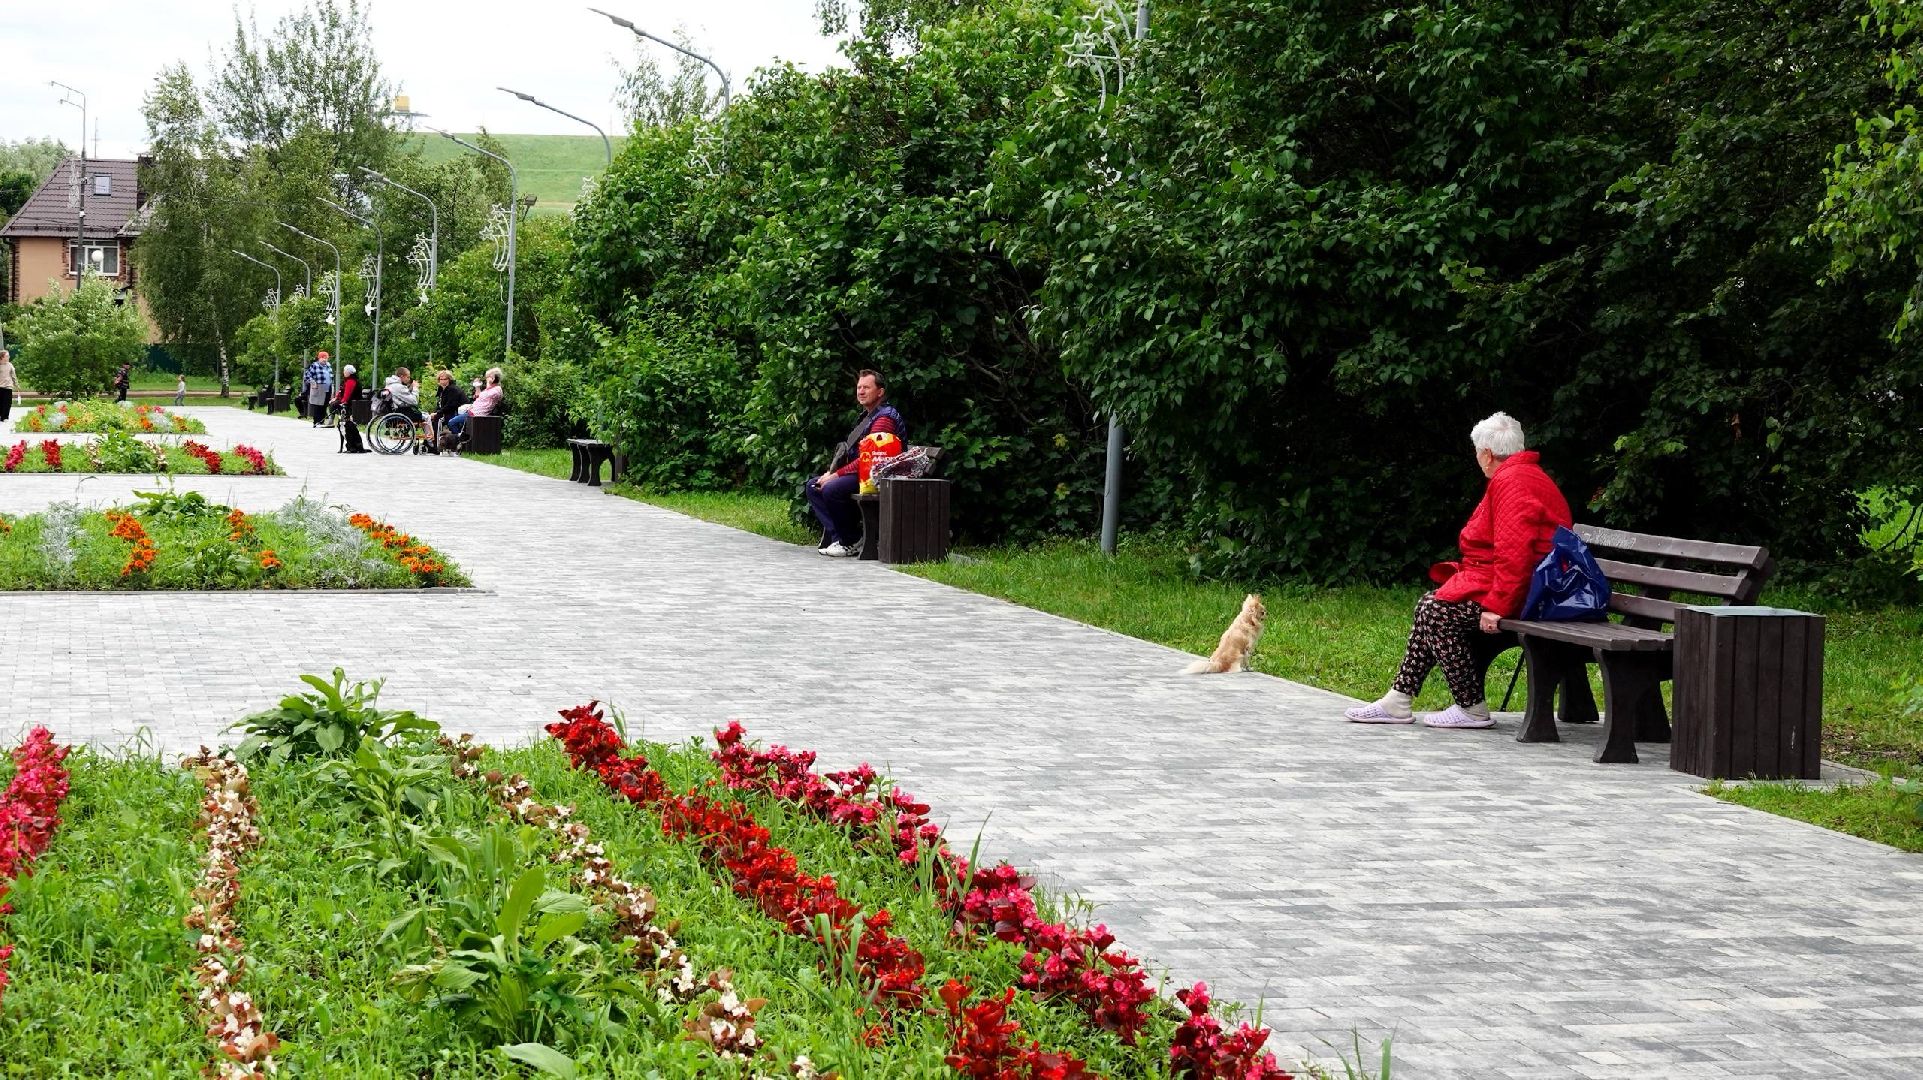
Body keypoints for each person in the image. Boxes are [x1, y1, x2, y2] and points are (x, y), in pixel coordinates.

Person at [1344, 411, 1573, 730]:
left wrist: (1497, 607)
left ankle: (1471, 708)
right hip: (1532, 585)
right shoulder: (1522, 475)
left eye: (1478, 453)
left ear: (1487, 454)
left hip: (1534, 594)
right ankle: (1399, 699)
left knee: (1435, 610)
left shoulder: (1512, 482)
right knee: (1431, 604)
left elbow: (1514, 553)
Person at [805, 369, 903, 558]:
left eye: (866, 387)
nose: (861, 391)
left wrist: (835, 476)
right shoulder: (867, 416)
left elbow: (871, 459)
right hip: (865, 473)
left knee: (831, 488)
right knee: (813, 486)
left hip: (878, 476)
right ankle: (843, 538)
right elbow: (853, 455)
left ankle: (849, 541)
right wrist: (831, 473)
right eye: (859, 387)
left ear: (880, 392)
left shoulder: (884, 419)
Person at [443, 367, 503, 450]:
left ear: (493, 378)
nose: (486, 379)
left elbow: (483, 396)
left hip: (477, 414)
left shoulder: (496, 389)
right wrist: (477, 387)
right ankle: (462, 441)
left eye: (488, 377)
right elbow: (478, 396)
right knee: (458, 421)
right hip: (472, 411)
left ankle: (460, 440)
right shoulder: (489, 389)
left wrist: (487, 385)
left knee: (451, 422)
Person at [427, 369, 467, 453]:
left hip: (455, 413)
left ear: (449, 379)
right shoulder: (441, 390)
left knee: (438, 420)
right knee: (429, 419)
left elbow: (450, 405)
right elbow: (440, 405)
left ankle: (436, 446)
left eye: (445, 379)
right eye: (441, 379)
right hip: (447, 412)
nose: (442, 381)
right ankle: (429, 443)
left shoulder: (453, 390)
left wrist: (438, 413)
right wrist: (435, 412)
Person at [305, 351, 333, 427]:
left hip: (328, 387)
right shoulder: (315, 365)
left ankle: (322, 422)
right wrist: (313, 382)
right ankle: (316, 422)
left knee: (325, 405)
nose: (325, 359)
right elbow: (307, 376)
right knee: (318, 405)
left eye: (326, 358)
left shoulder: (328, 365)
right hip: (319, 387)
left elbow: (330, 377)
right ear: (319, 358)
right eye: (323, 358)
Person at [0, 349, 16, 422]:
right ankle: (1, 415)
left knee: (8, 402)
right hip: (0, 387)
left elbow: (13, 375)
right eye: (7, 356)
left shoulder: (10, 365)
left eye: (8, 355)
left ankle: (5, 417)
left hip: (8, 386)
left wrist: (16, 384)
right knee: (1, 402)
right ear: (2, 357)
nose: (9, 357)